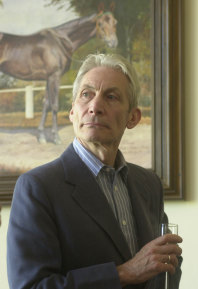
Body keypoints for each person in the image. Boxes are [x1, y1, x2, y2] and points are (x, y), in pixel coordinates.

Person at [7, 53, 183, 289]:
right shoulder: (37, 187)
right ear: (72, 112)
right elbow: (31, 286)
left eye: (111, 97)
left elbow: (161, 266)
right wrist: (122, 274)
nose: (95, 106)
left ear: (133, 117)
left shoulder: (149, 183)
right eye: (86, 94)